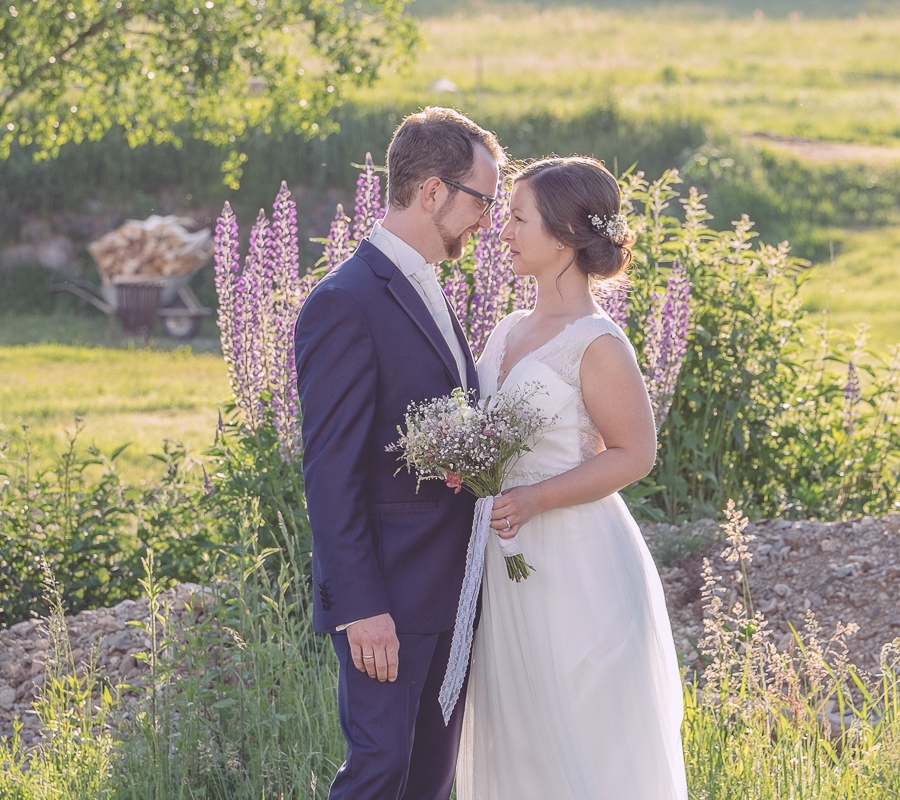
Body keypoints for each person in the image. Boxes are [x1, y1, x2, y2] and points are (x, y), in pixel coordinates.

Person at [456, 157, 688, 799]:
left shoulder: (597, 343)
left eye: (517, 218)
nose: (501, 232)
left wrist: (534, 497)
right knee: (520, 738)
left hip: (579, 563)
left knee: (584, 733)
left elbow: (634, 453)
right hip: (510, 565)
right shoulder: (507, 331)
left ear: (562, 234)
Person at [293, 107, 504, 800]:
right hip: (387, 601)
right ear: (433, 191)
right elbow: (331, 474)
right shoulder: (345, 302)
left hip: (448, 592)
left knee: (428, 781)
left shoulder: (430, 286)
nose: (488, 219)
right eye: (482, 200)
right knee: (380, 774)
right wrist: (361, 608)